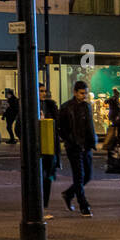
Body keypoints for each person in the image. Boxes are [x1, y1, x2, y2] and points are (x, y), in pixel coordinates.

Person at [57, 81, 96, 217]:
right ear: (75, 92)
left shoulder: (87, 106)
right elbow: (60, 127)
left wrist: (92, 142)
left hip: (86, 146)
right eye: (81, 93)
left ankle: (68, 194)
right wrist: (70, 140)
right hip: (74, 146)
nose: (84, 96)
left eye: (85, 93)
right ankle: (83, 205)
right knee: (79, 177)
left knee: (88, 175)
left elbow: (90, 126)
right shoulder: (66, 107)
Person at [39, 82, 61, 212]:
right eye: (41, 91)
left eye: (44, 91)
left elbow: (57, 125)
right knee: (40, 176)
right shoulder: (30, 106)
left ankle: (44, 204)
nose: (43, 93)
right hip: (38, 147)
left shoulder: (50, 106)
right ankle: (39, 203)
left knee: (47, 177)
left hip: (50, 146)